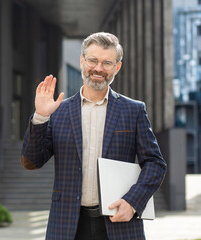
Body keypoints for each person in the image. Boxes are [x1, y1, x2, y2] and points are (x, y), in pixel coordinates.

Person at [20, 32, 167, 240]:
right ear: (82, 61)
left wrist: (134, 201)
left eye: (107, 62)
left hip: (119, 223)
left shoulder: (133, 111)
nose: (98, 68)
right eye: (93, 60)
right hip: (67, 225)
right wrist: (41, 117)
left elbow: (155, 163)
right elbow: (31, 162)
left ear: (117, 67)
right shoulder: (58, 112)